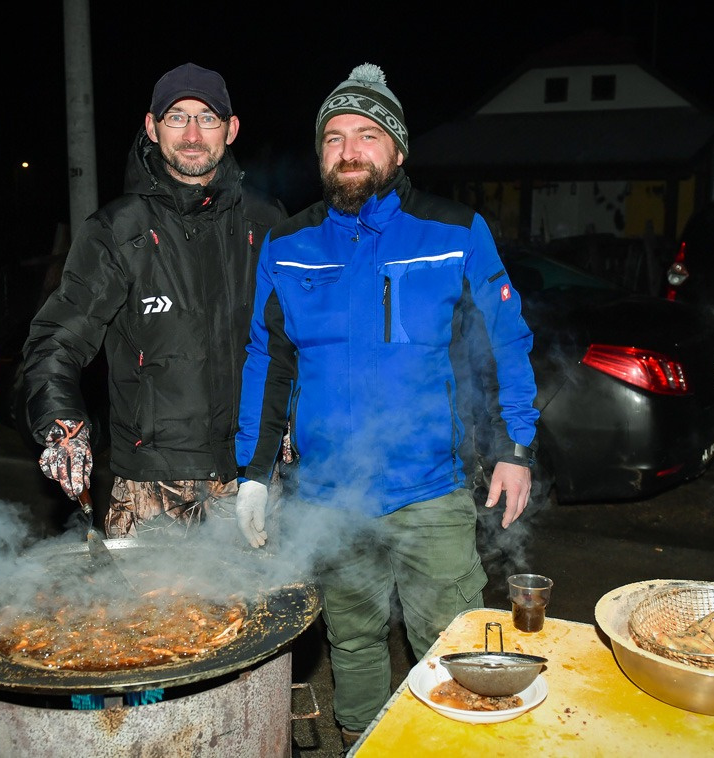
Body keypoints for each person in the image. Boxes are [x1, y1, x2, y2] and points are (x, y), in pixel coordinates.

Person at [232, 63, 540, 745]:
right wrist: (253, 472)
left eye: (367, 135)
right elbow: (268, 359)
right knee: (355, 643)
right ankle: (363, 743)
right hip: (330, 496)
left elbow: (508, 341)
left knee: (456, 648)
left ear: (397, 150)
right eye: (334, 137)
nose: (349, 150)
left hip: (429, 491)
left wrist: (514, 449)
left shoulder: (455, 230)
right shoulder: (288, 246)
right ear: (320, 155)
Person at [21, 63, 288, 537]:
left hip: (254, 476)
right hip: (154, 488)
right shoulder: (117, 230)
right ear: (151, 126)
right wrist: (61, 420)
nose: (191, 133)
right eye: (175, 117)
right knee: (155, 613)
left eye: (207, 118)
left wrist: (292, 418)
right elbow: (56, 340)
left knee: (262, 612)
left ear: (231, 129)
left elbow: (292, 337)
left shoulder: (266, 222)